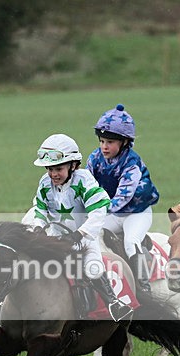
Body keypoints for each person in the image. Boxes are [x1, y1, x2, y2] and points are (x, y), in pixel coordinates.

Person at [29, 133, 133, 322]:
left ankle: (114, 304)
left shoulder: (84, 180)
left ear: (73, 165)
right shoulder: (45, 183)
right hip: (55, 239)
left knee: (93, 268)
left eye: (58, 168)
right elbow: (40, 209)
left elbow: (99, 210)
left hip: (84, 239)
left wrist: (80, 234)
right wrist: (38, 227)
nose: (53, 174)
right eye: (49, 169)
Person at [87, 104, 159, 295]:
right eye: (102, 141)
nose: (104, 146)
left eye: (110, 142)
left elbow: (122, 198)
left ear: (125, 142)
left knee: (131, 241)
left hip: (136, 213)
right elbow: (87, 188)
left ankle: (144, 287)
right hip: (112, 213)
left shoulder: (131, 163)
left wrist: (97, 210)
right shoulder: (94, 159)